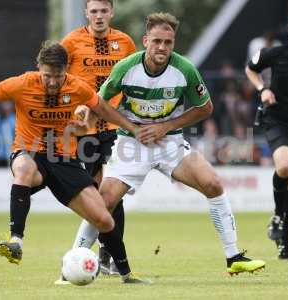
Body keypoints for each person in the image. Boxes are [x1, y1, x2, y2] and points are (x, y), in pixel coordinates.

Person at [0, 41, 148, 284]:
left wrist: (133, 129)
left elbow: (106, 111)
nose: (53, 82)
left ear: (67, 69)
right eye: (47, 76)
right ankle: (16, 240)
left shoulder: (78, 87)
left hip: (65, 159)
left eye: (58, 76)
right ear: (38, 69)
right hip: (29, 153)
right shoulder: (22, 84)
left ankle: (127, 274)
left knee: (104, 220)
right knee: (24, 169)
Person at [70, 12, 266, 276]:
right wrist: (123, 126)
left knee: (213, 184)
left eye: (168, 42)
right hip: (132, 145)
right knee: (103, 202)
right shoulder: (126, 68)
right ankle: (72, 262)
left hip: (170, 143)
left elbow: (204, 108)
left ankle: (234, 257)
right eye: (157, 41)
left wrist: (166, 126)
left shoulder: (184, 69)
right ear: (145, 41)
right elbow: (99, 103)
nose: (162, 47)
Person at [60, 0, 136, 276]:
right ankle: (107, 253)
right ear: (86, 14)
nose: (99, 16)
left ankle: (108, 255)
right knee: (96, 192)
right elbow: (59, 80)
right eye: (94, 11)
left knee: (112, 191)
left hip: (115, 128)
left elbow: (132, 80)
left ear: (112, 12)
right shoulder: (71, 42)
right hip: (85, 130)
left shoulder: (125, 42)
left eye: (104, 11)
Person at [245, 7, 288, 259]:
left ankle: (285, 240)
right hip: (276, 119)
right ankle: (276, 216)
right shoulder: (276, 53)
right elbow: (250, 68)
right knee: (284, 166)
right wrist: (262, 88)